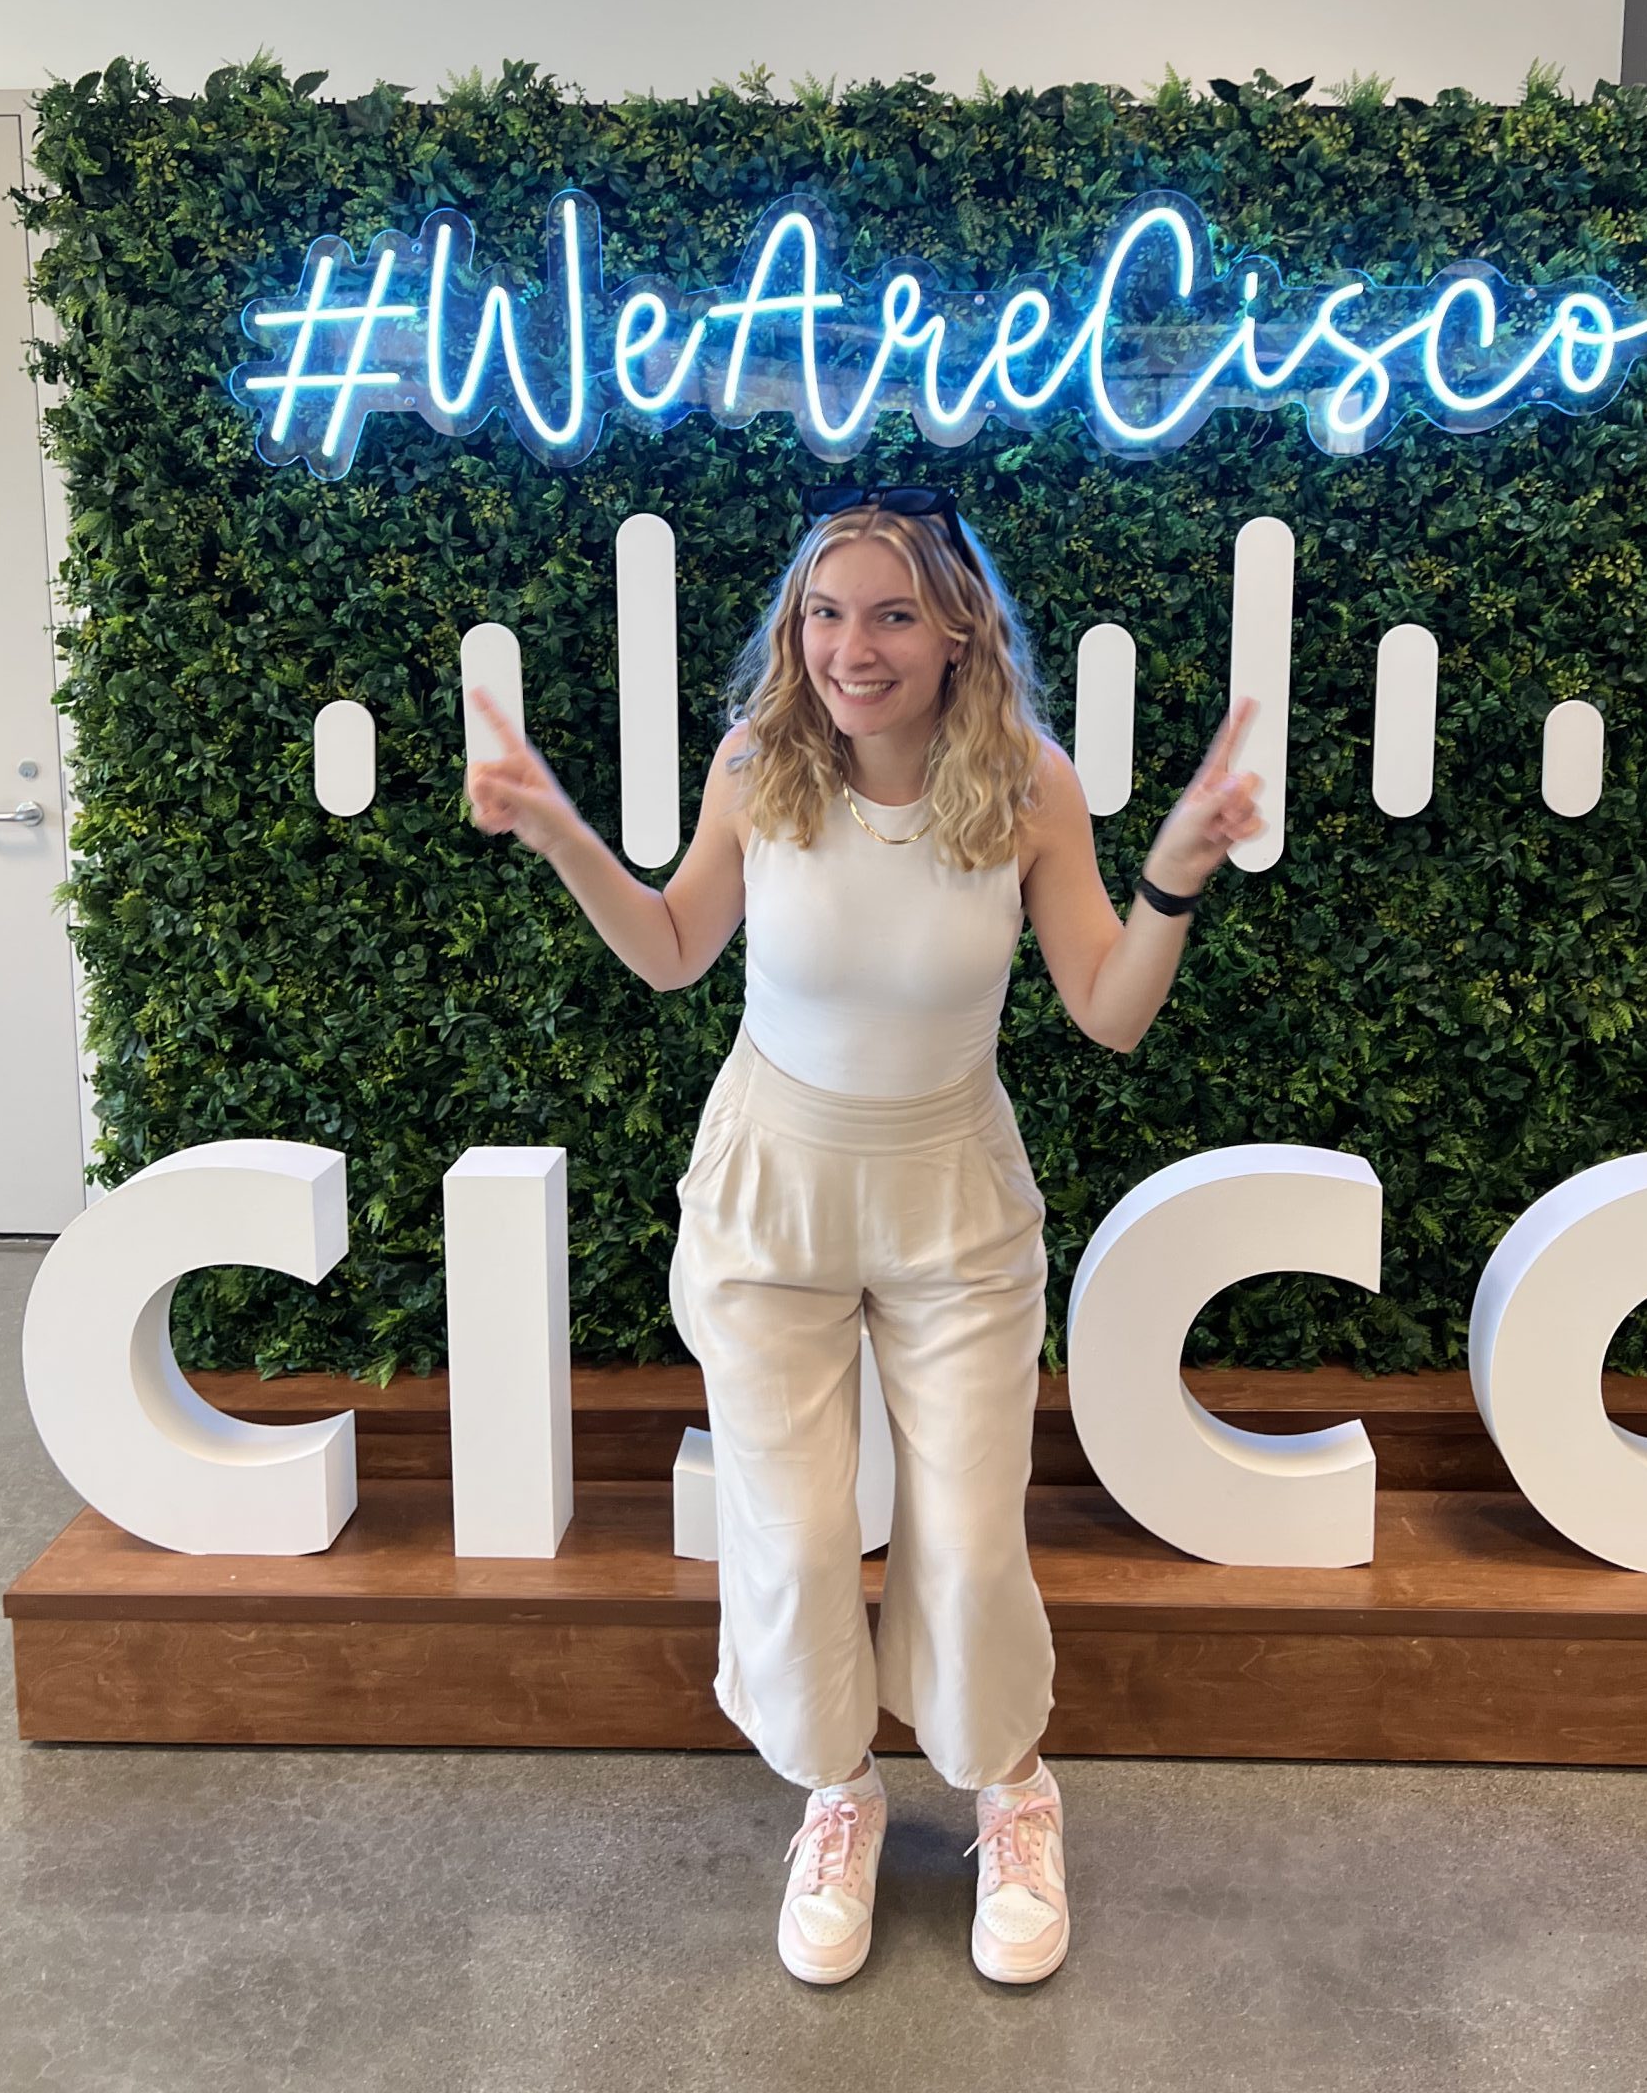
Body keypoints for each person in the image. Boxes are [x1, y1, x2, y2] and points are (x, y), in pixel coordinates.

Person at [465, 483, 1262, 1989]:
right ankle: (839, 1793)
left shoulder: (1029, 787)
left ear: (958, 631)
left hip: (953, 1198)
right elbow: (673, 950)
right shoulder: (758, 765)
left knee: (966, 1533)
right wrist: (561, 830)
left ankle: (1012, 1793)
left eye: (893, 614)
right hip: (772, 1193)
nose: (853, 648)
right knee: (796, 1530)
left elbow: (1108, 1010)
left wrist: (1174, 874)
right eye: (827, 614)